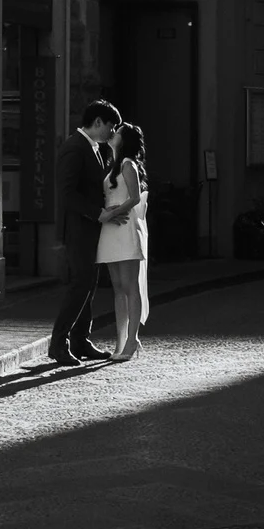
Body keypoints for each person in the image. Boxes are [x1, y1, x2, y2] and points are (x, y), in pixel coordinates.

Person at [49, 99, 132, 366]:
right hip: (78, 229)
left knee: (89, 284)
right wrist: (99, 213)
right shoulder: (74, 147)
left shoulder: (93, 148)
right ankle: (58, 343)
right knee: (80, 284)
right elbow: (67, 194)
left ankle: (80, 340)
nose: (112, 132)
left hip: (90, 229)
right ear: (97, 122)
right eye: (111, 126)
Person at [96, 122, 149, 361]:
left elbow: (135, 197)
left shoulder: (128, 164)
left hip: (125, 227)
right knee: (117, 287)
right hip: (110, 229)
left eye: (116, 132)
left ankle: (132, 339)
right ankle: (120, 339)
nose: (112, 134)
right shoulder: (113, 165)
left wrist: (113, 213)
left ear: (124, 139)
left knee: (130, 286)